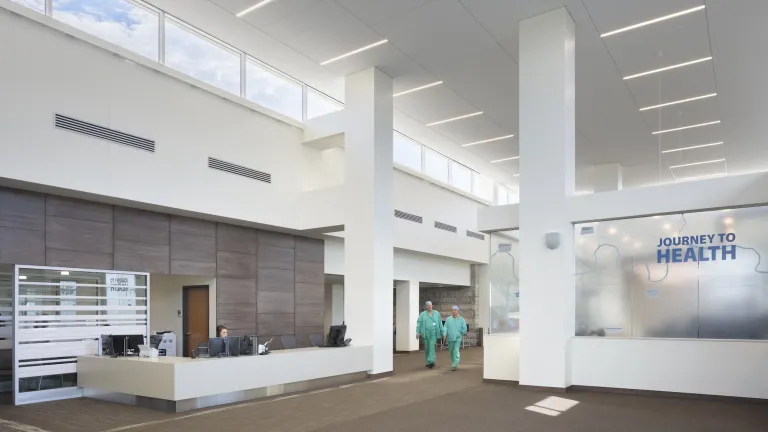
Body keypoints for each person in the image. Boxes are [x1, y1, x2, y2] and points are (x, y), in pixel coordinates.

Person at [416, 301, 443, 369]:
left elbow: (440, 323)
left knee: (431, 347)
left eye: (430, 305)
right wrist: (417, 332)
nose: (429, 306)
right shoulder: (422, 314)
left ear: (432, 306)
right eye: (428, 305)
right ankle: (428, 362)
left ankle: (432, 361)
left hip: (433, 333)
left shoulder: (436, 313)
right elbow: (419, 323)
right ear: (426, 306)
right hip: (425, 333)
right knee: (427, 348)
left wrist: (443, 332)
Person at [443, 305, 468, 371]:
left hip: (458, 338)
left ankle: (455, 364)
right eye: (452, 310)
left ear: (458, 311)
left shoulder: (461, 320)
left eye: (455, 310)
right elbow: (445, 327)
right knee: (451, 351)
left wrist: (461, 332)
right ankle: (454, 362)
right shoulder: (448, 319)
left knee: (456, 350)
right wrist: (444, 334)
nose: (453, 311)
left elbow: (464, 328)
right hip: (450, 338)